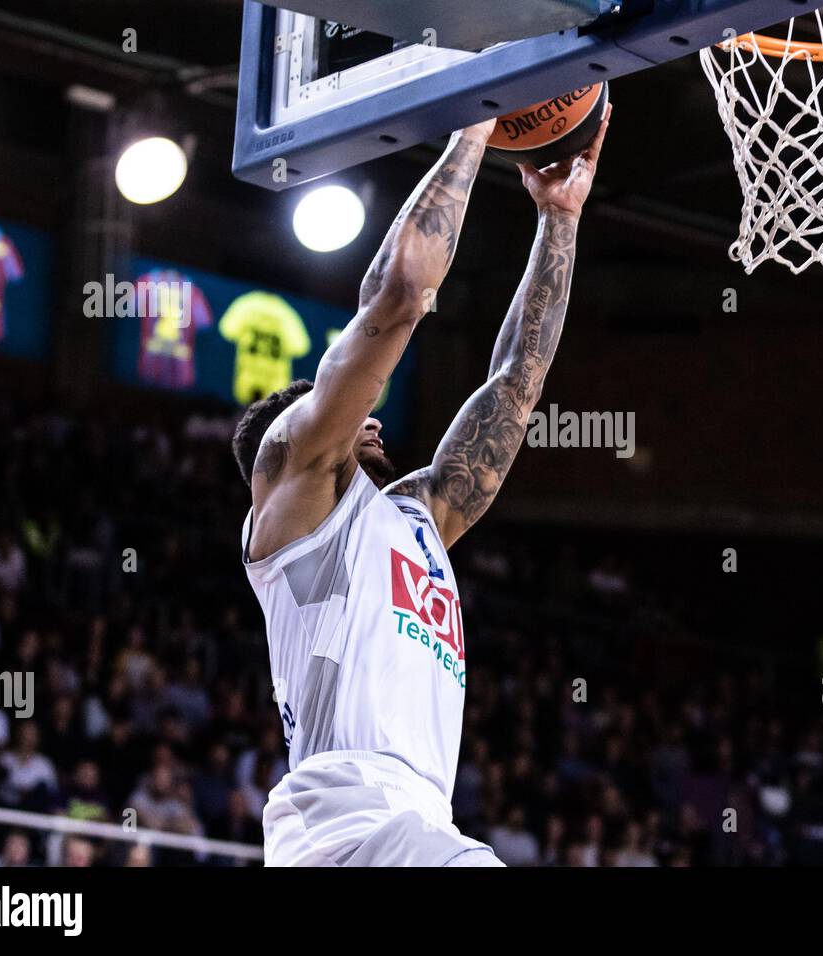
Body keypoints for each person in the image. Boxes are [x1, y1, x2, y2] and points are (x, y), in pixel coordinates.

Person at [230, 107, 611, 866]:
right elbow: (401, 295)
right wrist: (474, 120)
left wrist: (558, 219)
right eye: (344, 412)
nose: (370, 421)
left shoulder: (416, 519)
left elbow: (516, 385)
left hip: (416, 821)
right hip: (347, 821)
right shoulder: (292, 478)